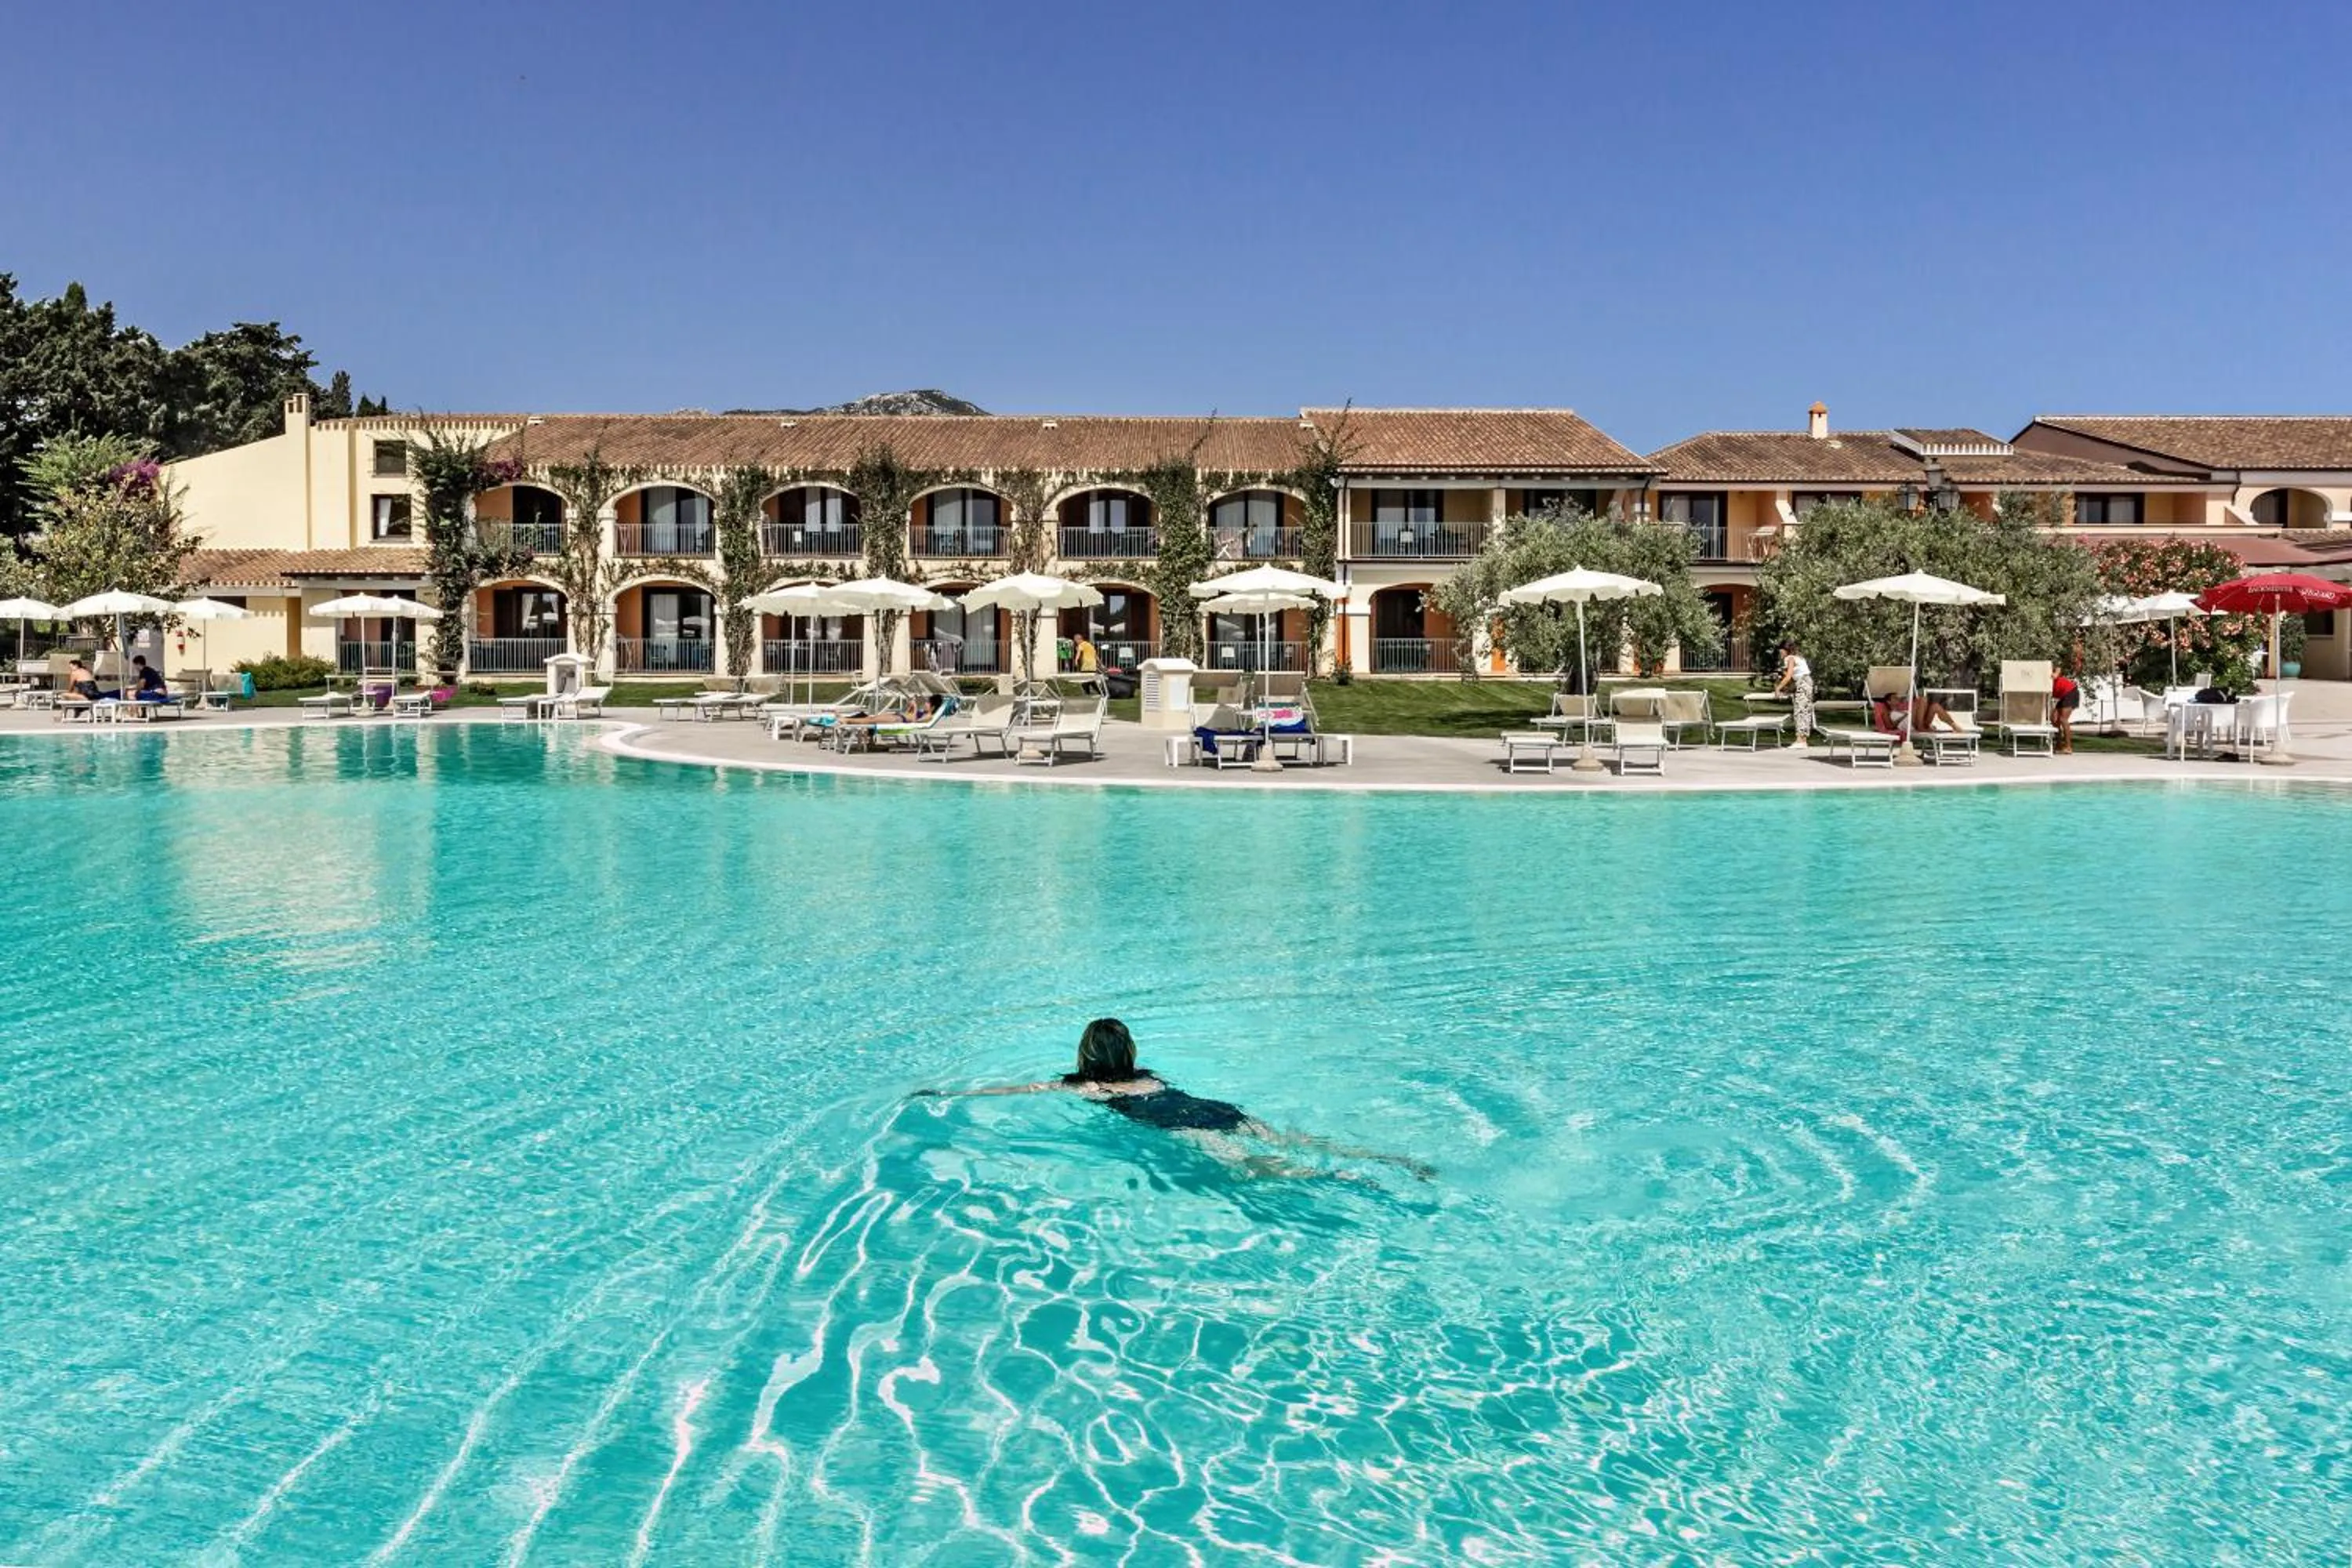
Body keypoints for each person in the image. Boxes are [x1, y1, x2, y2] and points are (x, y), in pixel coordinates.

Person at [916, 1018, 1433, 1181]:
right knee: (1296, 1139)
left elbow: (1015, 1089)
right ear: (1129, 1051)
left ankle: (1343, 1181)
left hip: (1186, 1128)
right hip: (1220, 1110)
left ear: (1085, 1056)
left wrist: (948, 1093)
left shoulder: (1085, 1087)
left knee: (1260, 1167)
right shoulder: (1150, 1074)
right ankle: (1387, 1161)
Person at [1771, 641, 1813, 746]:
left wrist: (1778, 688)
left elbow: (1789, 676)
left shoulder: (1790, 658)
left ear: (1785, 650)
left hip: (1803, 684)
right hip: (1807, 683)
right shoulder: (1798, 657)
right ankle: (1803, 740)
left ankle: (1800, 740)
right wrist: (1788, 689)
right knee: (1805, 711)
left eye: (1781, 651)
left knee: (1799, 711)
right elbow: (1797, 677)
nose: (1780, 654)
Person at [2052, 670, 2080, 753]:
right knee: (2054, 719)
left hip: (2070, 692)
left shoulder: (2049, 673)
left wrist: (2055, 673)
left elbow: (2058, 669)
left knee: (2063, 719)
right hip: (2063, 696)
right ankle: (2059, 745)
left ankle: (2068, 747)